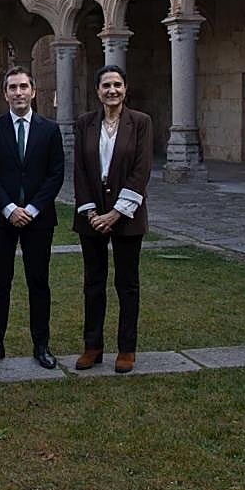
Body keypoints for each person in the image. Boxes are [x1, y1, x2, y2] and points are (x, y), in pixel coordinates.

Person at [0, 65, 65, 369]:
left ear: (34, 91)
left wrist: (31, 209)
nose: (18, 93)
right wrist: (9, 208)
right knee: (0, 283)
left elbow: (56, 175)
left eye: (23, 87)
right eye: (13, 88)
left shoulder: (50, 129)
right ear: (5, 93)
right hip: (0, 219)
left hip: (38, 220)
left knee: (38, 282)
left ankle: (41, 346)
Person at [72, 64, 152, 374]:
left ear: (125, 88)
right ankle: (92, 347)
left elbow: (141, 170)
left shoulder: (140, 123)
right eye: (106, 85)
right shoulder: (85, 124)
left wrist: (116, 213)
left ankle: (126, 349)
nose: (112, 90)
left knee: (127, 284)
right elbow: (79, 169)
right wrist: (92, 212)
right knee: (93, 283)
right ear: (97, 91)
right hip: (92, 217)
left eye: (117, 84)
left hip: (126, 217)